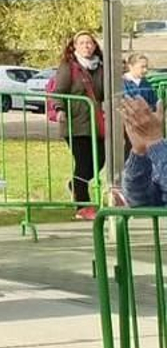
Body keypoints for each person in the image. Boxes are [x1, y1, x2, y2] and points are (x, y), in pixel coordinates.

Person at [53, 32, 107, 220]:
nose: (86, 46)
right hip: (76, 124)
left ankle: (75, 185)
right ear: (74, 46)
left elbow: (106, 91)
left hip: (97, 123)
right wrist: (60, 109)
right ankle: (82, 206)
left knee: (100, 160)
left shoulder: (101, 67)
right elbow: (58, 91)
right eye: (82, 43)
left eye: (89, 43)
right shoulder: (69, 67)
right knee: (83, 163)